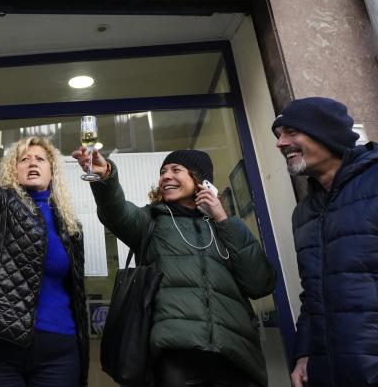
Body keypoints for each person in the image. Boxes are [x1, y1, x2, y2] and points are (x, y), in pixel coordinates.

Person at [76, 147, 275, 387]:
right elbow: (115, 212)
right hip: (176, 357)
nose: (166, 176)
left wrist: (223, 219)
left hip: (235, 356)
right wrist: (105, 177)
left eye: (176, 170)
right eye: (163, 171)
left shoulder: (225, 228)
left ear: (201, 181)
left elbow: (260, 283)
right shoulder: (151, 220)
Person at [0, 87, 89, 387]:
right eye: (24, 159)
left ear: (52, 171)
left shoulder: (70, 224)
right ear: (14, 170)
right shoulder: (1, 204)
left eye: (40, 159)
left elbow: (75, 290)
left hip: (59, 349)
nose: (33, 162)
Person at [272, 97, 378, 387]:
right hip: (328, 374)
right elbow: (313, 295)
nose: (280, 144)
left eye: (291, 132)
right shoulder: (303, 214)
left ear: (326, 133)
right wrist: (305, 353)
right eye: (279, 136)